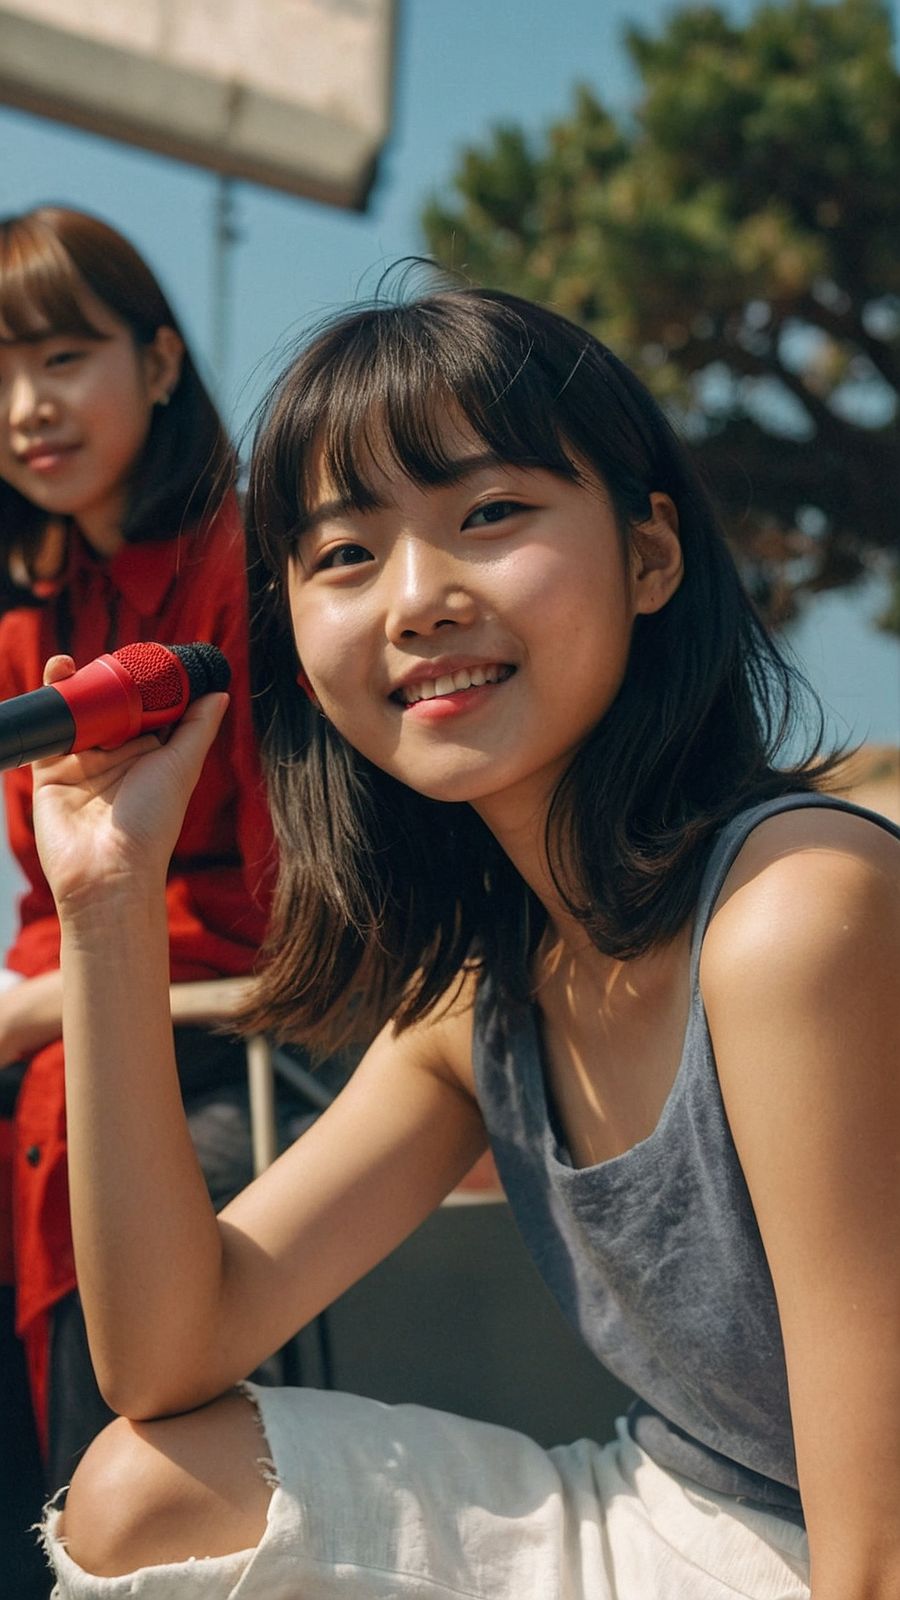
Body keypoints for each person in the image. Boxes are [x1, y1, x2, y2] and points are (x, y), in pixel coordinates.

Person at [31, 285, 900, 1599]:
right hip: (677, 1514)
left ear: (652, 555)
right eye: (343, 555)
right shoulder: (483, 998)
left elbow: (878, 1547)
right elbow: (166, 1354)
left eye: (490, 515)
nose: (417, 600)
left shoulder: (796, 914)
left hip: (848, 1546)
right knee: (146, 1493)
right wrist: (107, 904)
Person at [0, 207, 273, 1511]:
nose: (22, 408)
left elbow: (287, 905)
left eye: (58, 357)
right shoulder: (28, 618)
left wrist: (51, 1003)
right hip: (63, 1046)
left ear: (161, 362)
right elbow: (42, 902)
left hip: (257, 1041)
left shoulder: (257, 573)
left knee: (158, 1242)